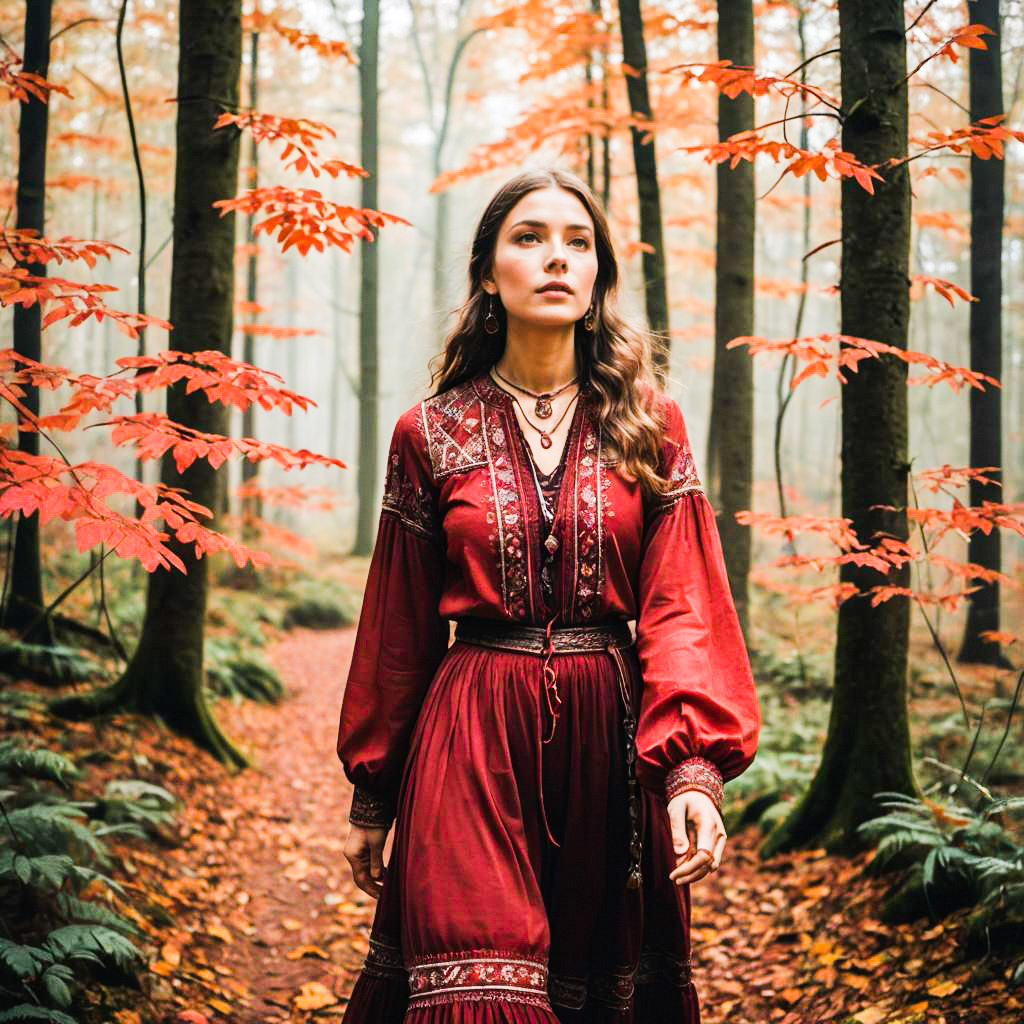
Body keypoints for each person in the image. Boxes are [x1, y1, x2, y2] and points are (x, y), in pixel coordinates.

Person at [336, 167, 760, 1023]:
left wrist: (688, 767)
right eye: (528, 239)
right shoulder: (428, 432)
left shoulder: (652, 424)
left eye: (578, 242)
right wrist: (375, 789)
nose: (556, 258)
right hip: (469, 734)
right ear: (488, 272)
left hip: (609, 742)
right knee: (480, 982)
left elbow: (683, 599)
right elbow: (397, 623)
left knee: (594, 991)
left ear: (599, 273)